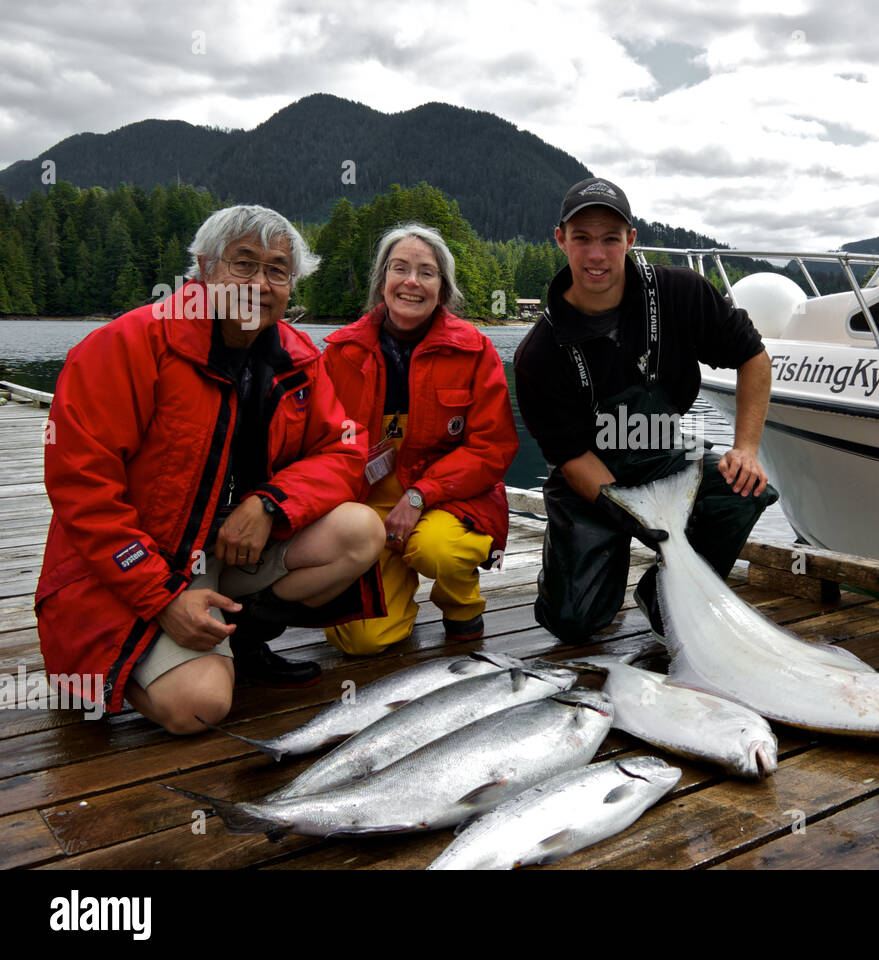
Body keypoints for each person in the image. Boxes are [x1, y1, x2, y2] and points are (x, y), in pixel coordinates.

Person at [36, 204, 387, 735]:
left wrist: (271, 503)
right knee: (199, 707)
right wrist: (163, 596)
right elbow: (83, 492)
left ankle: (239, 639)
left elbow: (342, 451)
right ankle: (101, 666)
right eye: (243, 264)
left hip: (234, 545)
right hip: (140, 560)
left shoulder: (298, 359)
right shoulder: (125, 346)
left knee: (361, 531)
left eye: (277, 270)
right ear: (204, 269)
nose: (260, 283)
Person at [513, 177, 778, 642]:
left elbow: (753, 357)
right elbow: (573, 458)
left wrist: (747, 448)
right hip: (591, 482)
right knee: (575, 624)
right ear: (561, 240)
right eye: (582, 239)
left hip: (663, 456)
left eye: (610, 239)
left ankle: (665, 597)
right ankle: (579, 577)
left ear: (630, 240)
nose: (596, 255)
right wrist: (635, 514)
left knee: (744, 488)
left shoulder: (681, 293)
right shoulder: (538, 353)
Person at [322, 223, 518, 653]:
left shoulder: (475, 350)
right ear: (382, 282)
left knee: (439, 550)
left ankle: (461, 605)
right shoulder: (340, 352)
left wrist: (419, 496)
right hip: (366, 503)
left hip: (450, 497)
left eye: (427, 272)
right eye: (400, 269)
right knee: (361, 641)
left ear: (443, 289)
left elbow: (492, 449)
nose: (412, 281)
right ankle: (393, 595)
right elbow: (319, 444)